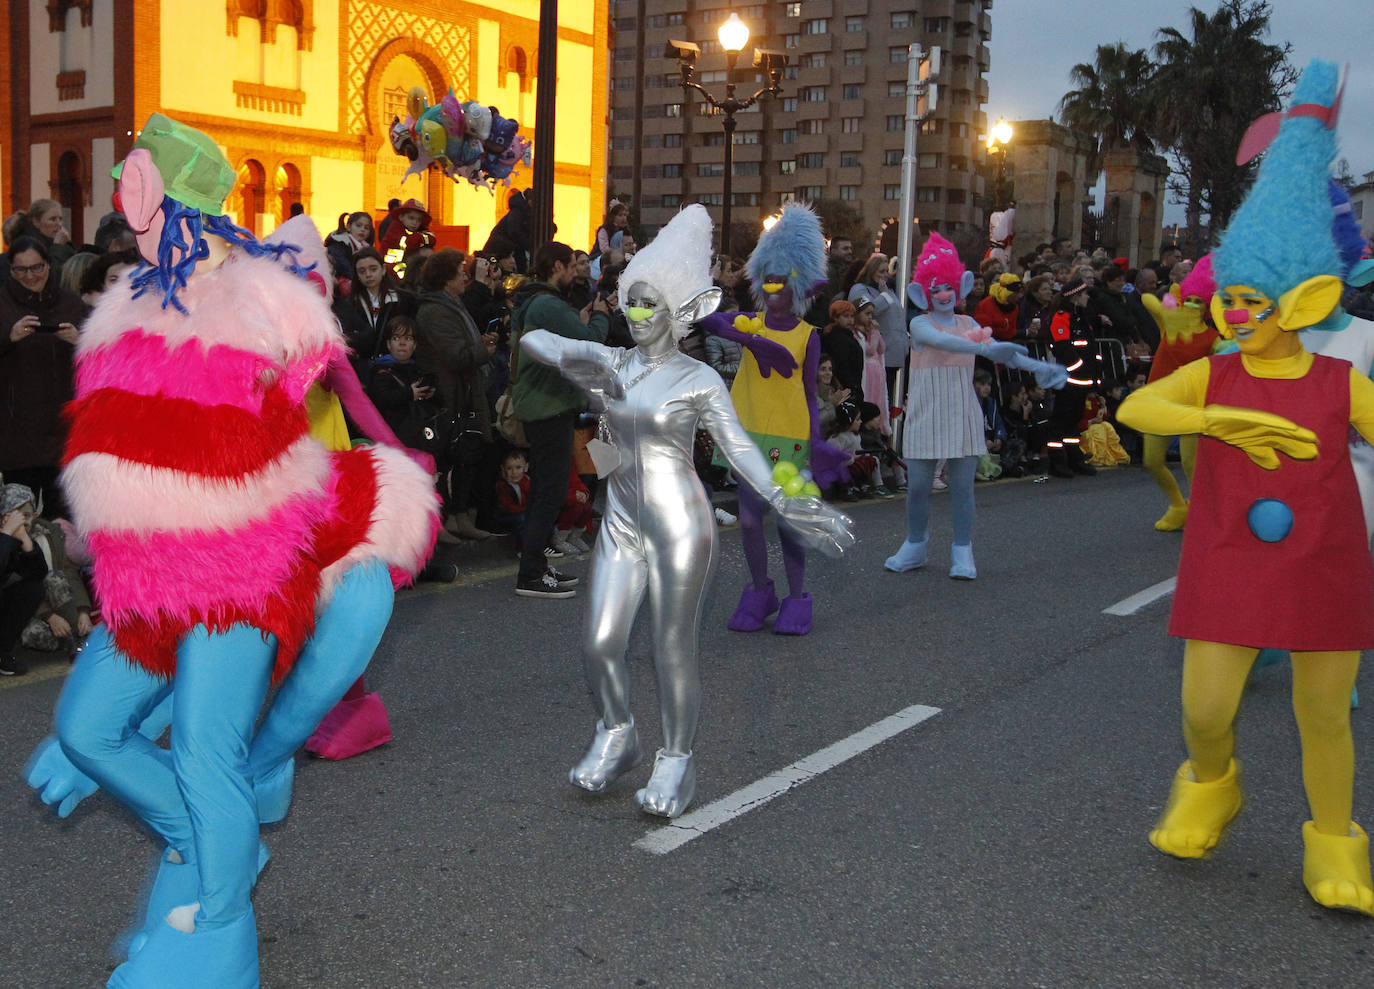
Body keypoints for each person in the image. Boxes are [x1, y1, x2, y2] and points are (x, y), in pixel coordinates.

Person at [36, 116, 440, 987]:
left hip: (235, 581)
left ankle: (218, 930)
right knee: (84, 729)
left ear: (168, 199)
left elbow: (297, 411)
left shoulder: (260, 302)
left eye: (137, 189)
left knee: (205, 756)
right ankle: (205, 840)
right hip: (144, 586)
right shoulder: (126, 301)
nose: (125, 210)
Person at [1118, 60, 1374, 918]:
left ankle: (1335, 841)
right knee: (1205, 704)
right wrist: (1217, 423)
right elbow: (1139, 401)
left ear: (1303, 299)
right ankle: (1212, 780)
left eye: (1252, 300)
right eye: (1229, 295)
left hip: (1325, 562)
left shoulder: (1343, 383)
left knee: (1324, 713)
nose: (1232, 311)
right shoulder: (1215, 374)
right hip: (1229, 558)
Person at [520, 204, 852, 818]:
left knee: (671, 647)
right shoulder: (614, 367)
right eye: (633, 302)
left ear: (678, 312)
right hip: (620, 522)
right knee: (599, 642)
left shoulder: (699, 379)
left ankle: (677, 763)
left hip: (680, 527)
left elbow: (740, 450)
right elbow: (534, 339)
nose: (639, 315)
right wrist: (585, 358)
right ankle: (616, 733)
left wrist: (786, 499)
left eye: (653, 304)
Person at [705, 202, 851, 635]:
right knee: (749, 520)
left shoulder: (809, 337)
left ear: (801, 285)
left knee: (789, 525)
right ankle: (760, 588)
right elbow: (711, 321)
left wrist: (815, 441)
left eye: (781, 278)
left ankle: (797, 597)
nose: (773, 286)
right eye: (767, 276)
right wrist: (749, 341)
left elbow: (809, 393)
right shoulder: (750, 323)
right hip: (747, 434)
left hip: (789, 441)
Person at [884, 233, 1065, 580]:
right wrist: (984, 350)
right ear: (923, 293)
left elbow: (1005, 351)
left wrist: (1041, 368)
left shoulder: (970, 324)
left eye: (949, 287)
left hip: (963, 412)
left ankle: (962, 550)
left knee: (963, 488)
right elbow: (942, 341)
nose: (943, 294)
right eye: (936, 288)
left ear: (960, 287)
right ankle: (915, 545)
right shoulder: (920, 323)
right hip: (926, 410)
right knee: (919, 486)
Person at [509, 241, 610, 597]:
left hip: (541, 404)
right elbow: (590, 343)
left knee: (546, 492)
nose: (575, 272)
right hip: (548, 406)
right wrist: (600, 314)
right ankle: (531, 576)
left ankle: (535, 566)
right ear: (555, 267)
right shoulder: (548, 304)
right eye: (571, 266)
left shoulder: (531, 301)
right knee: (550, 494)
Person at [0, 236, 90, 517]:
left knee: (61, 521)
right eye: (21, 270)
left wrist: (80, 341)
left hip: (62, 431)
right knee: (17, 519)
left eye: (36, 268)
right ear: (11, 270)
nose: (30, 276)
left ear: (49, 266)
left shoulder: (71, 305)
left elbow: (104, 354)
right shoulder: (2, 304)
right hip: (15, 434)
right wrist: (8, 338)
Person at [414, 248, 494, 541]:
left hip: (462, 391)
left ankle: (460, 517)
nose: (465, 276)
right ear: (447, 278)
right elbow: (454, 354)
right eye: (461, 271)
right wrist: (482, 351)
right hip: (446, 394)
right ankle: (443, 520)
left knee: (467, 454)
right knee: (445, 459)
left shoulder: (452, 304)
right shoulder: (435, 310)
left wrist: (480, 346)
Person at [1043, 277, 1104, 478]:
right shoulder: (1063, 316)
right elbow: (1062, 346)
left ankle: (1074, 458)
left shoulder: (1081, 316)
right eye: (1085, 293)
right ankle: (1057, 462)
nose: (1088, 297)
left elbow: (1089, 348)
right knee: (1060, 420)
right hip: (1068, 378)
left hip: (1081, 379)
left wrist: (1093, 376)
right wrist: (1077, 367)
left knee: (1074, 419)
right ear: (1076, 296)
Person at [335, 246, 417, 369]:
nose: (368, 275)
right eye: (362, 271)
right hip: (363, 369)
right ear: (356, 275)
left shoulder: (405, 300)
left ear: (383, 269)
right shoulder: (350, 304)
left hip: (398, 367)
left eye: (373, 269)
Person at [0, 483, 49, 676]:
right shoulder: (6, 536)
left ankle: (3, 653)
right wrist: (5, 535)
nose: (24, 523)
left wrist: (26, 543)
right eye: (17, 517)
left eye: (28, 517)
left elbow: (38, 574)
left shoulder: (18, 536)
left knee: (32, 589)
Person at [847, 253, 908, 406]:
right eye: (881, 271)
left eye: (886, 271)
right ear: (871, 271)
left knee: (889, 399)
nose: (885, 275)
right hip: (876, 353)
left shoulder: (888, 291)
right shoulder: (860, 289)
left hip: (895, 353)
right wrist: (884, 295)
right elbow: (867, 312)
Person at [855, 301, 890, 435]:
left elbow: (881, 348)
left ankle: (876, 429)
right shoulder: (857, 332)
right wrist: (874, 333)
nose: (870, 317)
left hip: (877, 373)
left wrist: (877, 332)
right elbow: (870, 350)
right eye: (867, 313)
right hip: (867, 372)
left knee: (878, 400)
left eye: (871, 314)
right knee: (869, 399)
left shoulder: (871, 330)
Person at [819, 299, 865, 401]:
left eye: (852, 316)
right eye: (846, 316)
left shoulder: (845, 336)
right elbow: (842, 366)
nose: (850, 320)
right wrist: (852, 388)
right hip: (844, 390)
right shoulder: (836, 338)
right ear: (836, 318)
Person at [17, 199, 75, 277]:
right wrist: (58, 247)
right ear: (36, 222)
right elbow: (50, 277)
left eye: (60, 219)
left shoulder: (56, 241)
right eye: (53, 219)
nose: (59, 224)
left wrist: (68, 244)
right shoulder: (28, 246)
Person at [325, 210, 375, 283]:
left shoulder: (367, 249)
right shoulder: (339, 244)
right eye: (358, 225)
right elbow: (344, 268)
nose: (362, 229)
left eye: (366, 228)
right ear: (348, 227)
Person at [973, 272, 1023, 341]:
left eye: (1020, 292)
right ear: (1006, 292)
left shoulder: (1015, 307)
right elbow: (985, 330)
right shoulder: (985, 305)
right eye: (1016, 293)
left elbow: (1012, 330)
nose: (1020, 296)